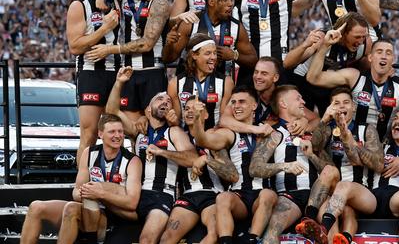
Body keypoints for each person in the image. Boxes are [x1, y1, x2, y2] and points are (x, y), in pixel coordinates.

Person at [106, 66, 198, 244]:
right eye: (159, 99)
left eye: (169, 101)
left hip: (161, 195)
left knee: (146, 240)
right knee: (93, 195)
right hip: (134, 193)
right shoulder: (138, 130)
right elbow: (112, 112)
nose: (165, 102)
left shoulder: (174, 132)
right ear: (148, 109)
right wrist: (119, 83)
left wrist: (161, 151)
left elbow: (193, 159)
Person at [21, 114, 142, 244]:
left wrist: (100, 193)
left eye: (120, 131)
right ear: (100, 134)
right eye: (112, 131)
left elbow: (132, 203)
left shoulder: (132, 161)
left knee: (72, 208)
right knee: (36, 207)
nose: (117, 136)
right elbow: (76, 192)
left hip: (112, 215)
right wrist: (87, 192)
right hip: (87, 207)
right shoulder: (89, 153)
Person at [82, 0, 170, 122]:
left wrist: (109, 50)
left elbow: (146, 43)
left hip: (152, 72)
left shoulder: (159, 1)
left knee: (155, 124)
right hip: (128, 73)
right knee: (132, 129)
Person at [191, 86, 279, 244]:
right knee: (223, 197)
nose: (236, 106)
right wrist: (198, 119)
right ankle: (226, 241)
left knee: (267, 194)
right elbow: (203, 140)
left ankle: (252, 239)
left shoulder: (267, 129)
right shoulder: (228, 133)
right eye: (233, 102)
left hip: (263, 195)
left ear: (254, 105)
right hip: (239, 196)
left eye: (242, 102)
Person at [296, 88, 384, 244]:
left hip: (362, 192)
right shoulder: (328, 129)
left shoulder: (366, 129)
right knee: (329, 177)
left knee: (343, 189)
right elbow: (314, 146)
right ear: (331, 107)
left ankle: (323, 228)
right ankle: (309, 221)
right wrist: (323, 119)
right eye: (337, 103)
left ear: (354, 107)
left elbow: (378, 165)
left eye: (346, 102)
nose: (342, 106)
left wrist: (348, 139)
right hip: (334, 192)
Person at [306, 32, 399, 142]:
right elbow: (313, 78)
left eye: (388, 53)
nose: (384, 56)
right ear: (370, 58)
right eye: (379, 52)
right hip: (354, 145)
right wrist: (325, 45)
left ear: (393, 59)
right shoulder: (354, 78)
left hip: (386, 149)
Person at [249, 85, 330, 243]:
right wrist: (284, 166)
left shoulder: (312, 133)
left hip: (319, 194)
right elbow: (254, 168)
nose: (303, 101)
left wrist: (312, 154)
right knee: (271, 234)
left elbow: (330, 168)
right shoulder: (274, 134)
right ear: (283, 104)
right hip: (289, 195)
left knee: (330, 233)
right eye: (298, 98)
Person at [66, 0, 123, 166]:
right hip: (92, 73)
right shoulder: (79, 5)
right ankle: (82, 185)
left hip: (120, 72)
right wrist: (105, 29)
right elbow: (75, 46)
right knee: (89, 135)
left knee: (121, 132)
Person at [159, 96, 239, 244]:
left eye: (195, 108)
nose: (190, 112)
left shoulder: (214, 138)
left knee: (214, 234)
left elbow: (232, 175)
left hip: (212, 195)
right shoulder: (176, 136)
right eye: (187, 109)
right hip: (187, 197)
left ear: (206, 114)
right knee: (167, 238)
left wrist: (207, 159)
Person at [163, 0, 257, 78]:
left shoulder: (236, 27)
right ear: (211, 2)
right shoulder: (191, 23)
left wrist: (234, 55)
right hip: (191, 85)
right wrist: (169, 44)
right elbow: (168, 59)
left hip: (224, 87)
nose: (230, 4)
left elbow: (253, 60)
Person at [290, 12, 371, 115]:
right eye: (357, 37)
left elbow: (365, 64)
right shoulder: (321, 38)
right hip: (301, 83)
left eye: (363, 37)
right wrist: (323, 45)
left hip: (325, 86)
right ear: (344, 33)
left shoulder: (364, 46)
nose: (360, 41)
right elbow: (289, 64)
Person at [167, 34, 234, 130]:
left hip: (214, 136)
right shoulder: (175, 83)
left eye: (214, 53)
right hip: (186, 137)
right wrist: (172, 120)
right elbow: (177, 121)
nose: (213, 57)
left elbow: (224, 119)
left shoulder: (226, 82)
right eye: (208, 53)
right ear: (194, 55)